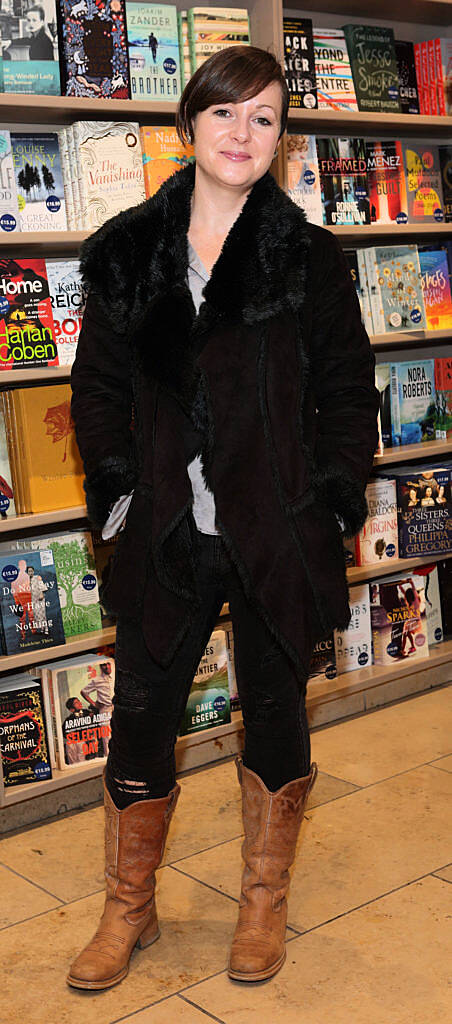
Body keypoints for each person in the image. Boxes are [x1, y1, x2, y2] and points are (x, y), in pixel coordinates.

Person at [68, 45, 379, 991]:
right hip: (164, 528)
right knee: (138, 721)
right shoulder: (128, 251)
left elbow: (346, 389)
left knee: (277, 721)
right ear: (188, 124)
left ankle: (261, 903)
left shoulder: (309, 257)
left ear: (281, 140)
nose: (242, 134)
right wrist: (118, 497)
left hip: (276, 530)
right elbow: (98, 389)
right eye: (225, 113)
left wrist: (332, 496)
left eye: (265, 119)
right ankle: (130, 908)